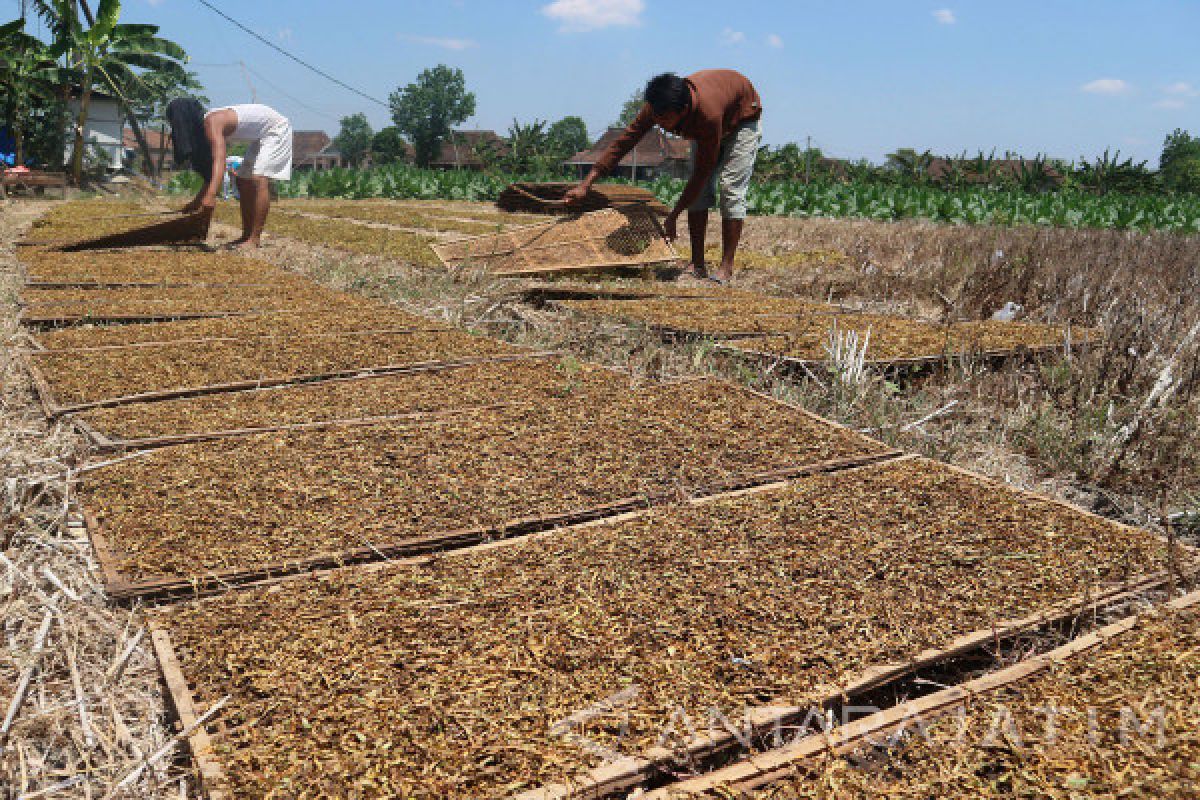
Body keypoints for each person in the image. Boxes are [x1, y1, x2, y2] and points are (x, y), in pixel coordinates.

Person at [564, 70, 762, 283]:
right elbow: (624, 142)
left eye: (665, 119)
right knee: (699, 197)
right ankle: (697, 264)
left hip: (742, 118)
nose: (658, 123)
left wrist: (674, 214)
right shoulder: (657, 107)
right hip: (710, 117)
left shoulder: (708, 116)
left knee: (730, 190)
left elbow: (701, 174)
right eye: (656, 118)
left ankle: (726, 267)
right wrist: (586, 184)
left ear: (683, 110)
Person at [166, 98, 293, 249]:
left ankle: (254, 238)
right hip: (260, 136)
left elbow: (220, 160)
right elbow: (211, 171)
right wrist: (197, 201)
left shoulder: (212, 122)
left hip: (276, 129)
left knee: (258, 179)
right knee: (242, 181)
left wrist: (212, 195)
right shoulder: (202, 133)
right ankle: (246, 236)